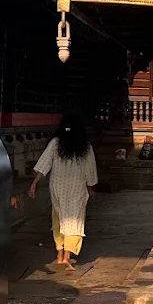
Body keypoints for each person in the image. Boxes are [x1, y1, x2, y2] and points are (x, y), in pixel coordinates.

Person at [28, 114, 98, 269]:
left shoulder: (55, 143)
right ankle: (67, 256)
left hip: (58, 187)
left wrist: (34, 184)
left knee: (58, 218)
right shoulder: (85, 146)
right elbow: (89, 171)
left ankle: (59, 255)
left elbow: (44, 165)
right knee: (75, 220)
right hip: (77, 189)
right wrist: (90, 189)